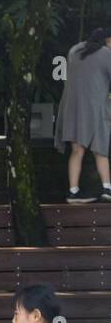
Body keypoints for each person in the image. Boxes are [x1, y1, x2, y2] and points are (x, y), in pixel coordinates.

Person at [54, 27, 111, 204]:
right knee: (100, 149)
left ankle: (73, 192)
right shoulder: (105, 54)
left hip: (72, 107)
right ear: (106, 41)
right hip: (95, 107)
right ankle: (107, 188)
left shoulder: (74, 50)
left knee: (77, 150)